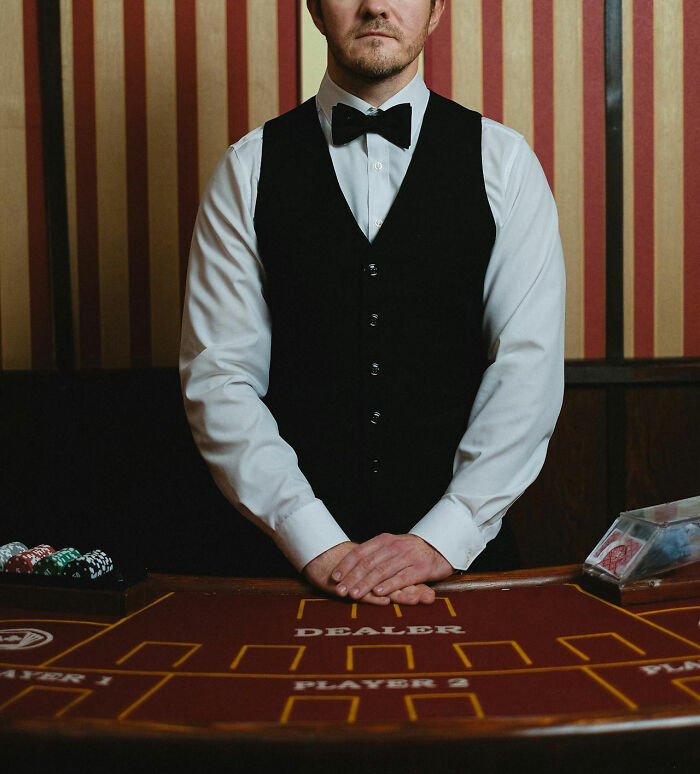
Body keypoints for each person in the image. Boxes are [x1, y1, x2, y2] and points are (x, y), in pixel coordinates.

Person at [179, 0, 565, 607]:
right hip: (281, 572)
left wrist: (444, 538)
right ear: (312, 7)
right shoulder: (246, 170)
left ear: (437, 10)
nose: (376, 5)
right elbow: (220, 377)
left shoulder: (507, 164)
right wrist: (317, 545)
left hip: (464, 571)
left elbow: (528, 369)